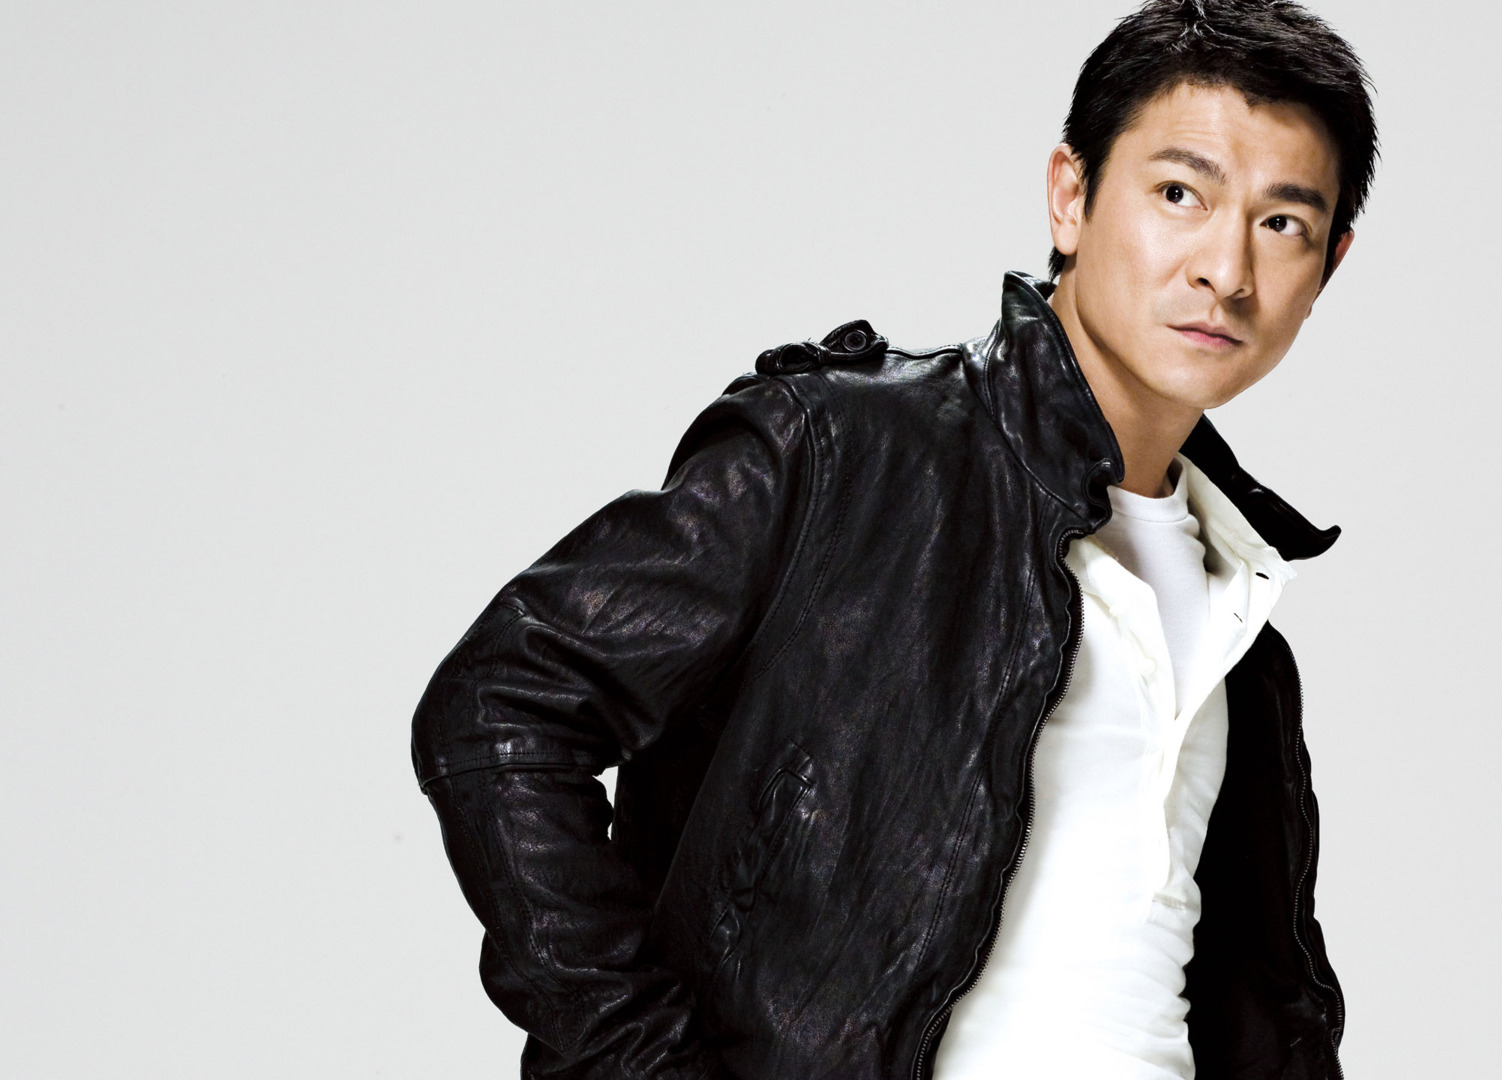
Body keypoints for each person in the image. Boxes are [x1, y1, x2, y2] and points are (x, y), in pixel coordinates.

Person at [411, 1, 1378, 1076]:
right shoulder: (847, 454)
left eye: (1281, 224)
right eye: (1179, 195)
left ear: (1328, 264)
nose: (1226, 270)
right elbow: (502, 698)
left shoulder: (1237, 613)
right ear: (1070, 196)